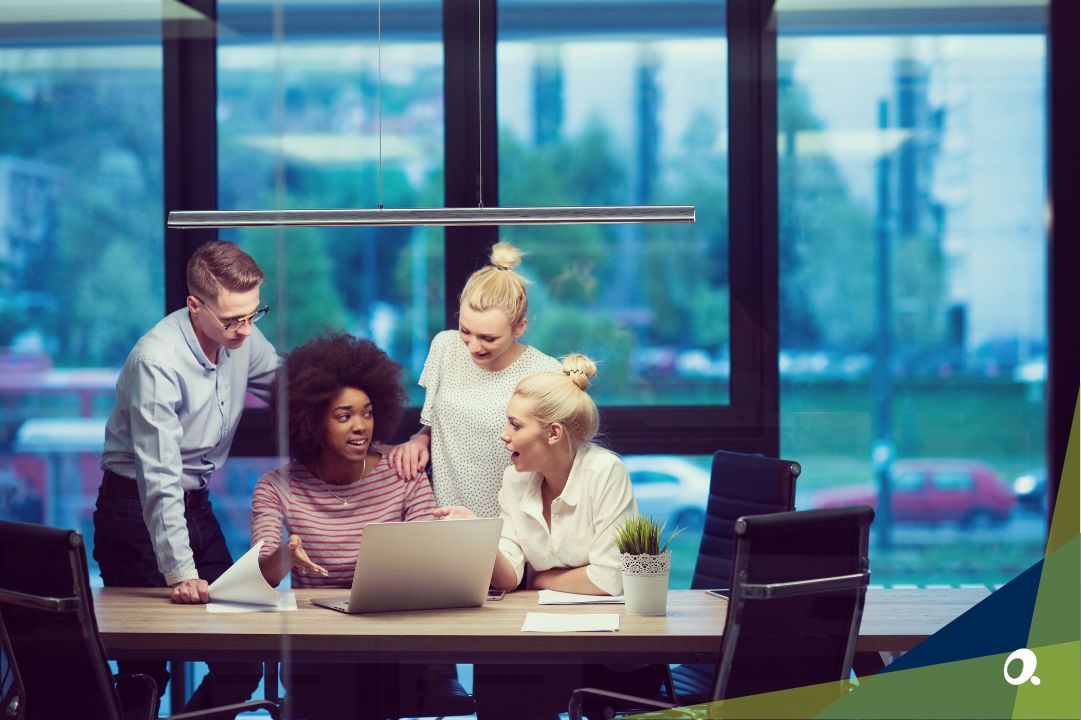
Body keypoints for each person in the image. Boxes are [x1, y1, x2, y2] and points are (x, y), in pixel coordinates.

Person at [94, 240, 277, 711]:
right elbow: (158, 475)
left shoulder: (244, 338)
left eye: (253, 315)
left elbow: (289, 386)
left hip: (196, 506)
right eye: (232, 319)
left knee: (241, 659)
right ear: (194, 305)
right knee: (146, 666)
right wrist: (180, 571)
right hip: (134, 511)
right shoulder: (156, 359)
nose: (244, 330)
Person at [437, 354, 648, 718]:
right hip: (541, 642)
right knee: (502, 676)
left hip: (606, 650)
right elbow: (512, 575)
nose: (504, 435)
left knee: (521, 680)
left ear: (553, 433)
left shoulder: (605, 472)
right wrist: (476, 536)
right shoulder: (515, 480)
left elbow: (610, 578)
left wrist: (541, 577)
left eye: (515, 425)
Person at [251, 333, 437, 719]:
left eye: (367, 413)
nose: (360, 427)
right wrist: (285, 555)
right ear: (311, 420)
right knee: (342, 679)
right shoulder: (277, 486)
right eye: (344, 416)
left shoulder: (402, 471)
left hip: (391, 638)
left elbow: (430, 553)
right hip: (318, 646)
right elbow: (259, 578)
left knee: (364, 677)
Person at [387, 241, 561, 517]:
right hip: (445, 515)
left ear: (520, 327)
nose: (473, 346)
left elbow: (556, 457)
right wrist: (420, 439)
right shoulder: (445, 346)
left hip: (513, 522)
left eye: (488, 338)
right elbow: (446, 422)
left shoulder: (544, 371)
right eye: (466, 330)